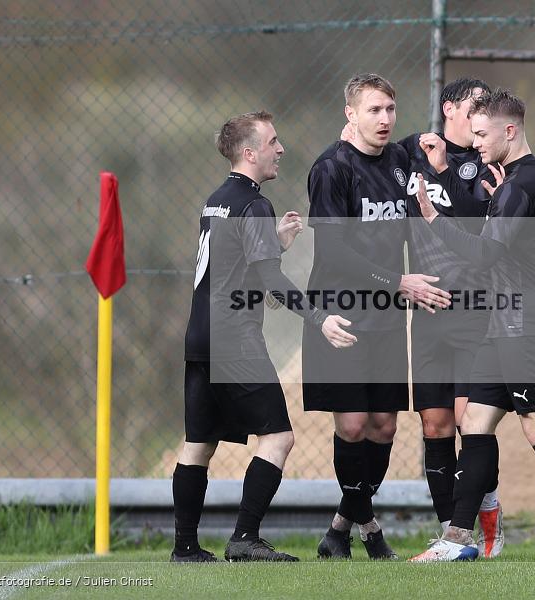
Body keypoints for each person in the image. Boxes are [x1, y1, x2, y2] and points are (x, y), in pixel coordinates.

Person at [409, 89, 535, 562]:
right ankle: (456, 539)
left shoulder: (516, 186)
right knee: (475, 421)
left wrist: (433, 219)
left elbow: (485, 254)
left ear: (509, 131)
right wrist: (500, 206)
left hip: (526, 322)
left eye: (481, 134)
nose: (474, 143)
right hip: (507, 318)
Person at [173, 111, 355, 563]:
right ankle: (244, 538)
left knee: (198, 444)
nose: (281, 149)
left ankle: (185, 547)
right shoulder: (255, 205)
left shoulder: (216, 200)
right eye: (273, 141)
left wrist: (272, 244)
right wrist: (319, 319)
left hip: (200, 337)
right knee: (278, 438)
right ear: (250, 153)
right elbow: (270, 282)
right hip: (234, 340)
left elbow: (239, 274)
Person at [303, 73, 451, 560]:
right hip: (340, 315)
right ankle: (370, 531)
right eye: (373, 110)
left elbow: (425, 145)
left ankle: (340, 529)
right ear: (350, 114)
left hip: (386, 316)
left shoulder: (399, 158)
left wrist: (440, 148)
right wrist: (399, 281)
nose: (385, 119)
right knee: (351, 425)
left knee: (384, 427)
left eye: (390, 109)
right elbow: (332, 249)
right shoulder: (331, 169)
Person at [398, 78, 506, 558]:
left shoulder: (485, 166)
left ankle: (486, 520)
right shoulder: (411, 152)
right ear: (449, 108)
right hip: (426, 311)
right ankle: (449, 534)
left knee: (470, 421)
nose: (480, 113)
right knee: (435, 424)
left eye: (487, 106)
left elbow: (477, 232)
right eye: (473, 104)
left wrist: (444, 172)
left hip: (473, 310)